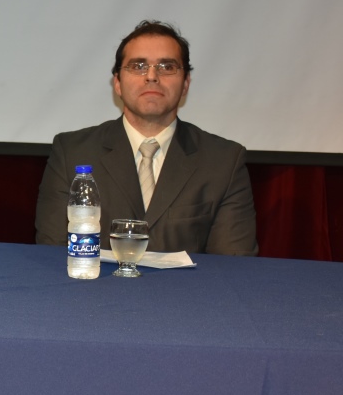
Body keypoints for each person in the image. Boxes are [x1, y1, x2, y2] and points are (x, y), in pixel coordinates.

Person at [35, 20, 258, 255]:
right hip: (95, 291)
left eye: (167, 66)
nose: (152, 76)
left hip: (187, 292)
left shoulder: (223, 161)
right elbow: (53, 253)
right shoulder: (71, 153)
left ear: (185, 85)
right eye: (138, 65)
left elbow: (234, 266)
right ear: (118, 83)